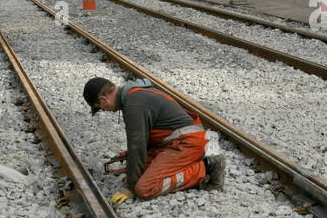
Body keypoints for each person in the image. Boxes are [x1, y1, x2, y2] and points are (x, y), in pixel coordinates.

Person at [84, 76, 225, 203]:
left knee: (144, 188)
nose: (104, 110)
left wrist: (131, 189)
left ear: (103, 99)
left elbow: (137, 147)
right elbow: (144, 140)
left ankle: (207, 166)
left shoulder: (133, 106)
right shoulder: (134, 94)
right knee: (137, 171)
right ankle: (193, 164)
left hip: (187, 143)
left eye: (100, 108)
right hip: (176, 141)